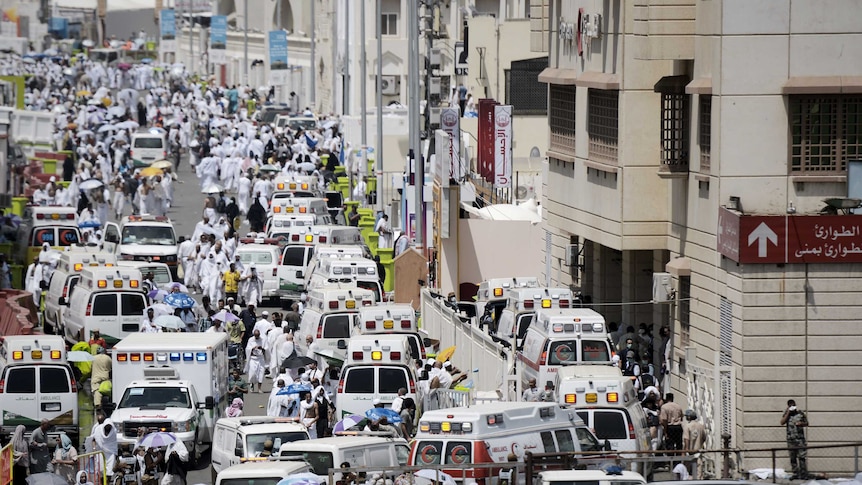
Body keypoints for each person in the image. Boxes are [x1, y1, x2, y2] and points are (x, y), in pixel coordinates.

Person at [781, 399, 809, 479]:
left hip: (800, 439)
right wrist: (788, 412)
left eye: (793, 405)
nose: (792, 407)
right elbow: (782, 422)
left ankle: (803, 474)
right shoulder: (787, 414)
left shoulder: (800, 413)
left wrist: (801, 424)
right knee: (792, 457)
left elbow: (807, 423)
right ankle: (795, 474)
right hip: (791, 439)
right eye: (790, 405)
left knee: (802, 457)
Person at [683, 409, 705, 479]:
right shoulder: (701, 426)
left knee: (687, 470)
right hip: (698, 450)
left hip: (690, 451)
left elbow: (686, 439)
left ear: (689, 417)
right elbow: (704, 438)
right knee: (699, 470)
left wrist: (686, 450)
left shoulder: (687, 426)